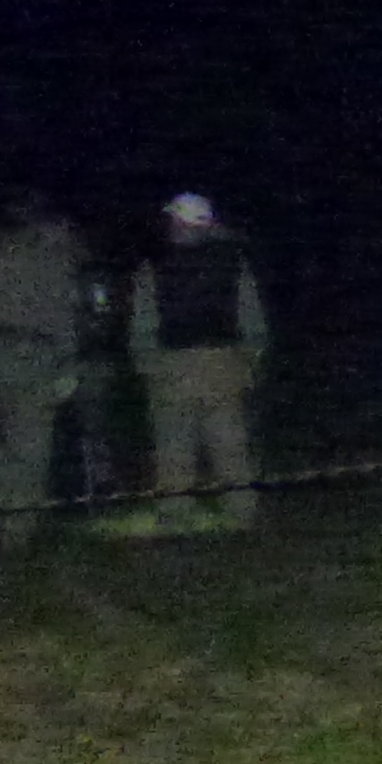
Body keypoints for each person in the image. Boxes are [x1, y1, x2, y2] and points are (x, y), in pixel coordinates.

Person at [131, 191, 269, 531]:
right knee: (230, 443)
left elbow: (143, 322)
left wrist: (146, 365)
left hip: (172, 365)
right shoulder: (234, 262)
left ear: (179, 222)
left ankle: (176, 515)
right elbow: (251, 318)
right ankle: (242, 512)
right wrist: (250, 360)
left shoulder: (155, 266)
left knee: (173, 444)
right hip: (222, 363)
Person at [0, 191, 85, 548]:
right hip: (35, 354)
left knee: (12, 432)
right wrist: (68, 363)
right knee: (33, 440)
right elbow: (63, 318)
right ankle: (17, 527)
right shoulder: (53, 261)